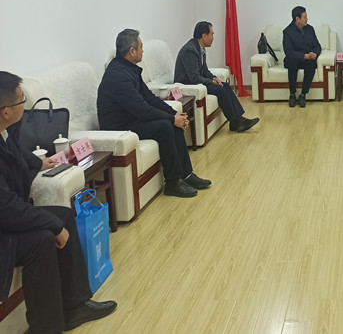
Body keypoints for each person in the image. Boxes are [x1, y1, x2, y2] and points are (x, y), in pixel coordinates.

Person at [0, 71, 117, 333]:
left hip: (7, 216)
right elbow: (6, 208)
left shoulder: (6, 129)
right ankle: (45, 327)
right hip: (4, 225)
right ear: (6, 111)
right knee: (42, 238)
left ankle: (76, 306)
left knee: (63, 214)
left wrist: (37, 162)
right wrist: (52, 226)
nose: (25, 105)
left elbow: (16, 153)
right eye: (22, 101)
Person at [97, 29, 211, 198]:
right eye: (141, 47)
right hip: (119, 128)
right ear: (132, 51)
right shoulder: (117, 76)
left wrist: (175, 114)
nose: (143, 50)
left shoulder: (128, 68)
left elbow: (149, 98)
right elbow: (141, 109)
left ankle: (186, 175)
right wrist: (171, 119)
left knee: (172, 123)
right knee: (165, 126)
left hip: (131, 119)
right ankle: (173, 183)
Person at [174, 21, 259, 132]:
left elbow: (205, 71)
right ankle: (236, 121)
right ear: (204, 36)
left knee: (225, 86)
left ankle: (238, 120)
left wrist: (214, 78)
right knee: (220, 89)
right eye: (212, 34)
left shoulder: (200, 48)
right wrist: (211, 82)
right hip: (189, 85)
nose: (213, 38)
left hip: (196, 82)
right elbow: (194, 78)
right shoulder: (190, 50)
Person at [283, 6, 322, 108]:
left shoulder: (310, 29)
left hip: (308, 59)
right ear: (297, 19)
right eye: (304, 17)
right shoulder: (287, 32)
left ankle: (303, 95)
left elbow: (317, 46)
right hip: (294, 59)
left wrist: (315, 53)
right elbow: (288, 52)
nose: (307, 19)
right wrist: (304, 56)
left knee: (312, 63)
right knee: (293, 61)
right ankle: (292, 94)